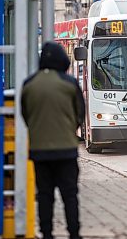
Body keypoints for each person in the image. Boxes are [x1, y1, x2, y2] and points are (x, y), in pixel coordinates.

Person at [21, 42, 85, 239]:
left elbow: (25, 114)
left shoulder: (29, 84)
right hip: (66, 149)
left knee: (44, 195)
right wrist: (68, 128)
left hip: (39, 151)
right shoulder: (70, 83)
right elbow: (80, 114)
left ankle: (46, 233)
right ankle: (74, 233)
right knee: (70, 195)